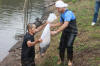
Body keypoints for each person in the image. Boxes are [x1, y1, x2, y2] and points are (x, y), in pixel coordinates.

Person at [50, 0, 78, 66]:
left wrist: (56, 31)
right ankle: (61, 59)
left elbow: (65, 24)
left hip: (72, 32)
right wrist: (52, 25)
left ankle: (70, 61)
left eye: (58, 8)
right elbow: (61, 23)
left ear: (63, 7)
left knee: (69, 45)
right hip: (65, 31)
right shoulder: (62, 14)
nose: (57, 10)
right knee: (61, 46)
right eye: (57, 8)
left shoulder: (68, 13)